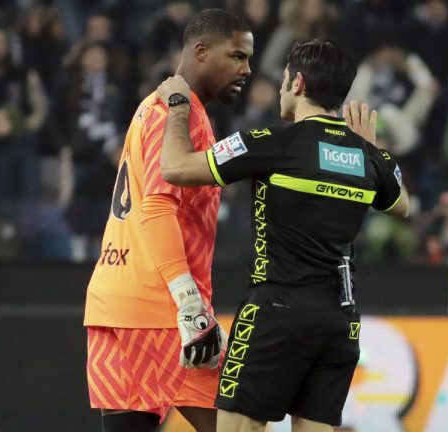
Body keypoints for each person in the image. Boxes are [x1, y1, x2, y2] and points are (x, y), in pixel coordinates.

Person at [156, 39, 410, 432]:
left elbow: (174, 167)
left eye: (283, 79)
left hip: (276, 314)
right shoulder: (366, 157)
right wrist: (373, 150)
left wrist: (177, 106)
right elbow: (402, 205)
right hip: (340, 323)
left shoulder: (272, 142)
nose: (278, 88)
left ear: (297, 83)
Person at [82, 9, 252, 432]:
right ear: (200, 51)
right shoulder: (179, 115)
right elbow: (158, 206)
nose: (246, 69)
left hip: (116, 301)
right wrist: (190, 304)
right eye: (236, 56)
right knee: (240, 425)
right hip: (162, 311)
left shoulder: (154, 108)